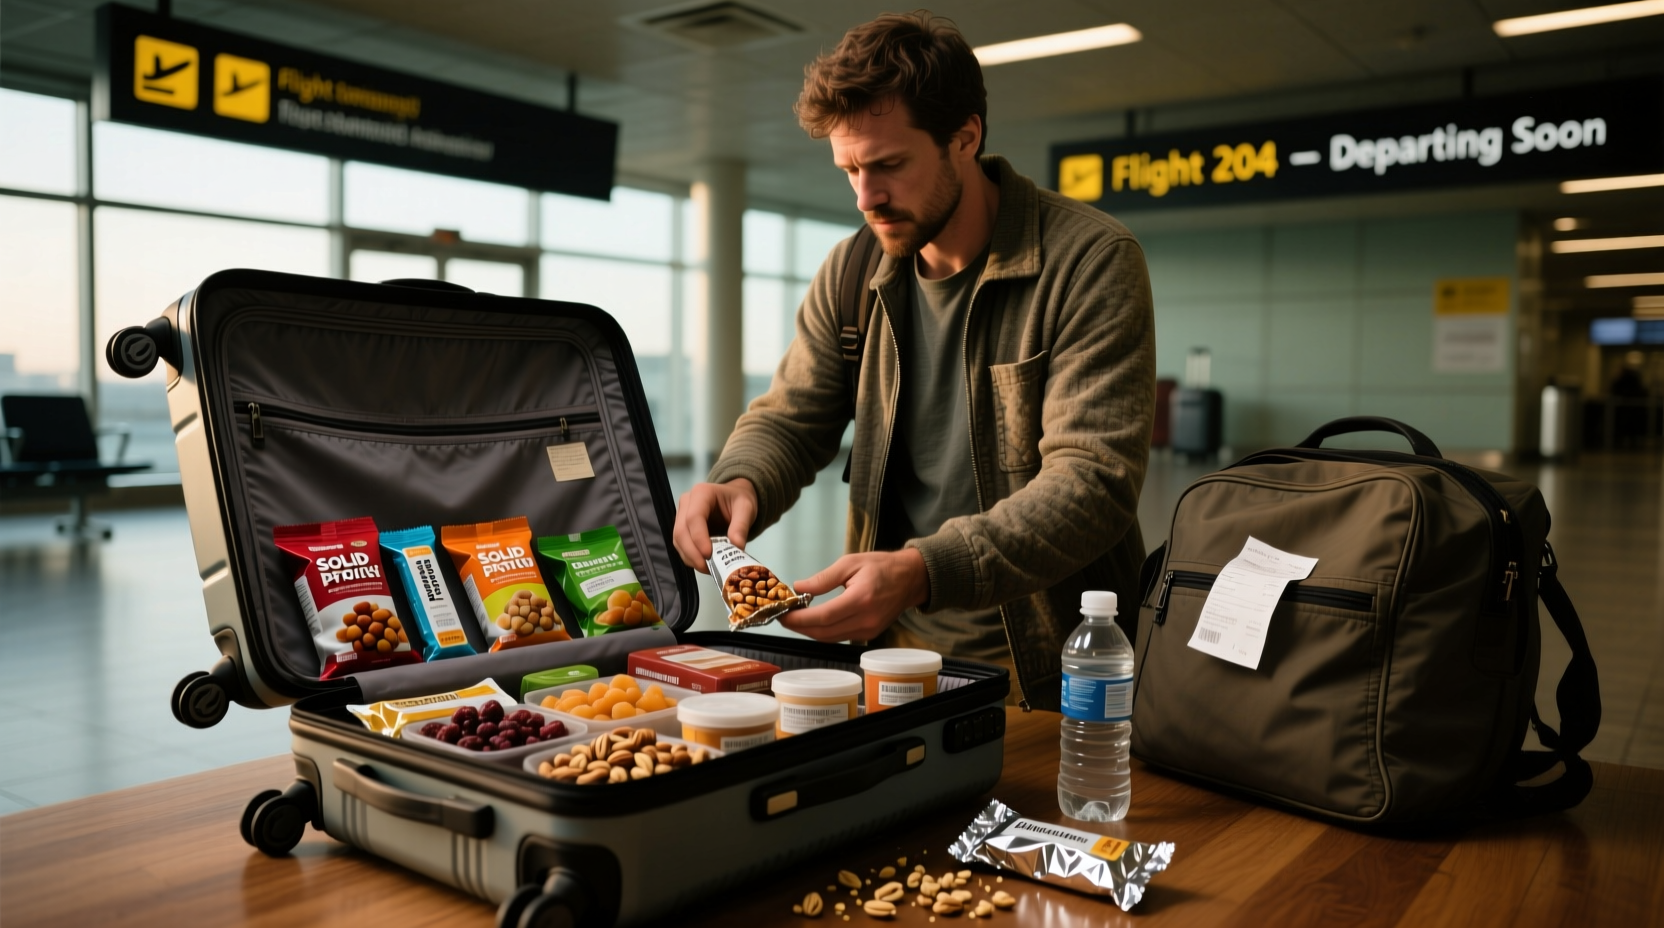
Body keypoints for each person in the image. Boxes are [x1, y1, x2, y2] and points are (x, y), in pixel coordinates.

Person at [672, 11, 1155, 711]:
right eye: (850, 170)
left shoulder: (1089, 262)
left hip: (1050, 672)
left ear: (966, 137)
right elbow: (791, 417)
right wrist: (740, 480)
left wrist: (925, 569)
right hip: (888, 655)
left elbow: (1093, 482)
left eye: (889, 165)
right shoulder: (852, 270)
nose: (866, 198)